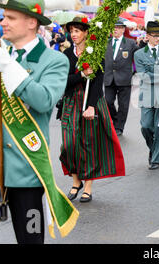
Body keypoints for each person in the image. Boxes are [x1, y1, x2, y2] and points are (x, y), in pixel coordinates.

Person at [0, 0, 76, 244]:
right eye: (3, 17)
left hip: (26, 166)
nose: (3, 23)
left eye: (10, 17)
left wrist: (10, 68)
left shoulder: (53, 61)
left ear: (32, 22)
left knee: (30, 239)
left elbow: (43, 100)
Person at [59, 16, 125, 203]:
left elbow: (97, 83)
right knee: (69, 145)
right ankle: (75, 180)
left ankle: (87, 186)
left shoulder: (95, 53)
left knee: (88, 144)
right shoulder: (67, 55)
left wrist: (91, 107)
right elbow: (64, 81)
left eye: (77, 31)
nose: (73, 35)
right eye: (71, 31)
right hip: (71, 102)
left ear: (86, 32)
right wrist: (81, 74)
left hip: (90, 102)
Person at [134, 21, 159, 170]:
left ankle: (156, 158)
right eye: (155, 35)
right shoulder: (139, 54)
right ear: (147, 36)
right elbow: (142, 75)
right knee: (146, 126)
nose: (158, 38)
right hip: (147, 94)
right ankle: (153, 148)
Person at [104, 19, 139, 136]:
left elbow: (139, 55)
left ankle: (119, 127)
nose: (115, 30)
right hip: (109, 77)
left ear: (123, 29)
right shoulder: (106, 43)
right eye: (114, 27)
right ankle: (115, 119)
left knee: (123, 105)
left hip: (124, 78)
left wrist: (144, 44)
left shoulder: (130, 43)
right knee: (108, 102)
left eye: (118, 28)